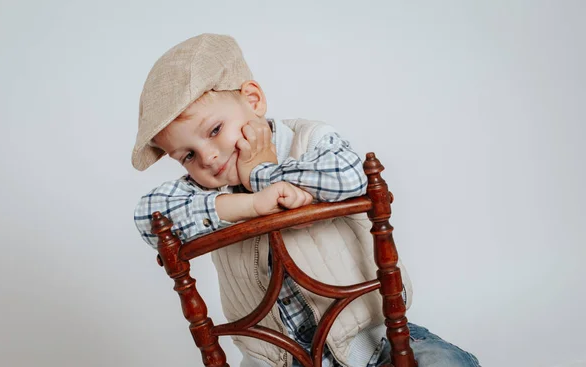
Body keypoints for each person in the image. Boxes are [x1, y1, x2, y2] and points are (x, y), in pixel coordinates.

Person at [132, 33, 480, 367]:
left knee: (447, 362)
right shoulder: (205, 191)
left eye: (214, 130)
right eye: (187, 155)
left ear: (252, 100)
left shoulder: (309, 140)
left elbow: (350, 174)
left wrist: (262, 174)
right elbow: (149, 217)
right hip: (276, 358)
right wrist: (250, 206)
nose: (207, 157)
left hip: (373, 341)